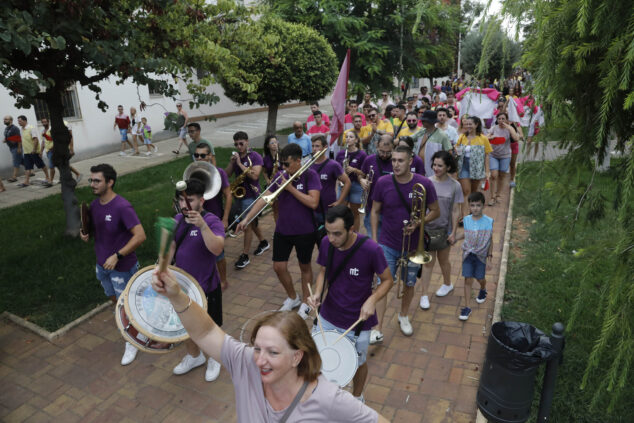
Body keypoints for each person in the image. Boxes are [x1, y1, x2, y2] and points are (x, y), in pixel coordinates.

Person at [151, 269, 388, 422]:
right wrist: (176, 295)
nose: (260, 359)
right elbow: (206, 331)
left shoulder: (327, 397)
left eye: (273, 352)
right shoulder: (246, 363)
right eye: (257, 348)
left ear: (297, 357)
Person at [307, 205, 393, 401]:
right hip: (328, 316)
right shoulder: (327, 244)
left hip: (358, 323)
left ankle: (357, 397)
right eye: (328, 232)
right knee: (321, 358)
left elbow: (388, 280)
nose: (331, 238)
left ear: (351, 228)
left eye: (337, 233)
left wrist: (372, 300)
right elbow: (323, 271)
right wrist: (318, 293)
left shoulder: (371, 249)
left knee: (357, 362)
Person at [236, 144, 321, 318]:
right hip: (283, 229)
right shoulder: (281, 175)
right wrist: (247, 218)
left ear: (298, 161)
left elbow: (313, 202)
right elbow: (265, 198)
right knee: (278, 267)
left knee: (304, 267)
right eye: (282, 163)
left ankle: (306, 301)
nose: (284, 168)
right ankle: (293, 297)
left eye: (287, 164)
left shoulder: (310, 175)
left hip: (305, 230)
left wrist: (289, 188)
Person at [80, 163, 146, 365]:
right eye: (91, 180)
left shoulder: (122, 207)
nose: (92, 184)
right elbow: (97, 232)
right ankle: (130, 323)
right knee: (115, 301)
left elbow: (140, 236)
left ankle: (133, 340)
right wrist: (86, 234)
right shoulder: (94, 205)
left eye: (97, 180)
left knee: (126, 305)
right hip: (102, 266)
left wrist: (118, 255)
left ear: (110, 182)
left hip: (122, 268)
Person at [370, 146, 439, 337]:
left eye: (400, 160)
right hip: (387, 243)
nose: (396, 164)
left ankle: (404, 315)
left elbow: (436, 211)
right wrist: (375, 239)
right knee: (382, 284)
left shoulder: (424, 183)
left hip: (413, 245)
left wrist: (418, 223)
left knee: (409, 283)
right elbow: (374, 211)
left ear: (410, 161)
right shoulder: (383, 182)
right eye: (393, 160)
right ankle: (377, 328)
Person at [169, 178, 225, 382]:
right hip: (183, 289)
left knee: (211, 328)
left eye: (189, 200)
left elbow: (217, 249)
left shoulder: (211, 221)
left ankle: (215, 358)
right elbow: (170, 249)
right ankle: (195, 356)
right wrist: (161, 269)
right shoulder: (177, 220)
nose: (184, 205)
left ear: (201, 200)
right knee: (186, 328)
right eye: (182, 201)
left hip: (207, 287)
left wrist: (202, 226)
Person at [418, 151, 463, 310]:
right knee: (428, 263)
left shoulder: (455, 185)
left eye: (440, 165)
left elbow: (456, 210)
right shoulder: (426, 182)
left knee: (444, 261)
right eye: (434, 164)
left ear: (448, 167)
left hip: (445, 230)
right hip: (428, 229)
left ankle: (447, 283)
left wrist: (453, 232)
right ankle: (424, 294)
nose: (435, 168)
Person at [225, 131, 269, 269]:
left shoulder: (255, 156)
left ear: (247, 142)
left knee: (247, 225)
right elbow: (227, 174)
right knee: (252, 221)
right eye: (236, 144)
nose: (239, 146)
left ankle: (245, 255)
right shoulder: (236, 157)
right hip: (239, 194)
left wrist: (240, 163)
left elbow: (255, 176)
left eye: (241, 143)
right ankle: (263, 242)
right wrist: (232, 163)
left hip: (251, 196)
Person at [196, 143, 232, 291]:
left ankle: (223, 280)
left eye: (203, 155)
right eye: (196, 155)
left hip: (214, 218)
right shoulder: (193, 173)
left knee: (219, 253)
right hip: (198, 218)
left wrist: (224, 218)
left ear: (210, 156)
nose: (199, 158)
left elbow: (228, 195)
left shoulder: (219, 173)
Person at [453, 191, 493, 321]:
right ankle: (467, 307)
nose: (475, 208)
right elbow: (465, 234)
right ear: (469, 206)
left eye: (478, 205)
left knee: (480, 277)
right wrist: (454, 238)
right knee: (467, 279)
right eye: (472, 205)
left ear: (483, 206)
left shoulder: (488, 222)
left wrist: (490, 258)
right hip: (468, 254)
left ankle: (483, 288)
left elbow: (490, 240)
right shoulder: (466, 220)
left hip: (481, 255)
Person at [456, 116, 492, 221]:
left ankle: (471, 211)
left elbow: (487, 155)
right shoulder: (462, 137)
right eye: (466, 124)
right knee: (466, 191)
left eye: (470, 124)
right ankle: (464, 216)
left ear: (476, 125)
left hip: (477, 168)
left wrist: (487, 171)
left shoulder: (483, 138)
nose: (468, 126)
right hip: (464, 166)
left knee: (473, 191)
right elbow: (457, 150)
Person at [310, 135, 350, 229]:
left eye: (317, 146)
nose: (314, 149)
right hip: (312, 209)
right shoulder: (308, 164)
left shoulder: (333, 165)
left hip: (328, 209)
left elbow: (347, 182)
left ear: (325, 147)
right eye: (313, 146)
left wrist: (339, 201)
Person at [359, 135, 393, 238]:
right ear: (377, 146)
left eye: (388, 152)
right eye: (382, 151)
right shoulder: (369, 159)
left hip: (391, 209)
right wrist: (361, 180)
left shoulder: (397, 161)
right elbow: (361, 173)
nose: (385, 155)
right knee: (373, 239)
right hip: (372, 207)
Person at [486, 112, 519, 206]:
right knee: (493, 175)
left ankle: (498, 195)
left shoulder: (509, 129)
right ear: (496, 120)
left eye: (503, 119)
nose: (501, 121)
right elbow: (486, 137)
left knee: (502, 176)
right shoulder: (494, 128)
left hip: (505, 156)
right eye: (499, 119)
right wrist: (491, 137)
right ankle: (492, 197)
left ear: (506, 120)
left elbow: (516, 138)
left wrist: (509, 127)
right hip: (493, 155)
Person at [336, 131, 366, 232]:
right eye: (346, 137)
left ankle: (355, 235)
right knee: (342, 211)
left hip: (356, 186)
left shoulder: (362, 154)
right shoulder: (341, 154)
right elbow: (336, 170)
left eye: (351, 137)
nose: (348, 138)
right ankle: (343, 232)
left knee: (355, 213)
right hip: (343, 185)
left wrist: (354, 170)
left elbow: (365, 173)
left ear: (356, 140)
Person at [40, 117, 82, 183]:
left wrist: (71, 148)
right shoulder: (44, 131)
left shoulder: (57, 127)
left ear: (48, 122)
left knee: (54, 165)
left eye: (45, 122)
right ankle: (72, 175)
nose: (44, 123)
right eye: (42, 122)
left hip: (56, 149)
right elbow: (44, 141)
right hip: (50, 150)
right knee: (61, 164)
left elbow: (61, 138)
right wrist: (41, 151)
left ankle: (51, 181)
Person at [412, 110, 452, 177]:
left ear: (431, 122)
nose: (422, 121)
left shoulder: (442, 135)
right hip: (419, 170)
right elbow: (410, 139)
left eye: (424, 120)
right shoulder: (421, 132)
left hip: (434, 171)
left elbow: (449, 152)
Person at [17, 115, 51, 187]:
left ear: (25, 121)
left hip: (33, 151)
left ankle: (47, 177)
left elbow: (35, 139)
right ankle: (26, 182)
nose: (18, 122)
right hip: (26, 152)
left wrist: (34, 149)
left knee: (41, 165)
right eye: (18, 121)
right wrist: (20, 148)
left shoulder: (31, 128)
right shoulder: (21, 129)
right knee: (27, 167)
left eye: (20, 121)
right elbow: (20, 140)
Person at [262, 135, 281, 221]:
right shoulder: (266, 159)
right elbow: (264, 171)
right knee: (275, 209)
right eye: (272, 143)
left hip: (282, 183)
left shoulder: (282, 155)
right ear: (267, 146)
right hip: (272, 185)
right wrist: (267, 180)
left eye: (276, 142)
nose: (274, 144)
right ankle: (278, 228)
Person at [3, 115, 23, 183]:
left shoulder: (15, 128)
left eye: (6, 119)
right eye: (4, 119)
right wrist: (6, 139)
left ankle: (14, 177)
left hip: (16, 147)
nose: (4, 120)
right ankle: (31, 170)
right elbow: (8, 137)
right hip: (11, 148)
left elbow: (19, 138)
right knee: (21, 161)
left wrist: (19, 148)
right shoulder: (6, 128)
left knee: (15, 162)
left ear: (11, 120)